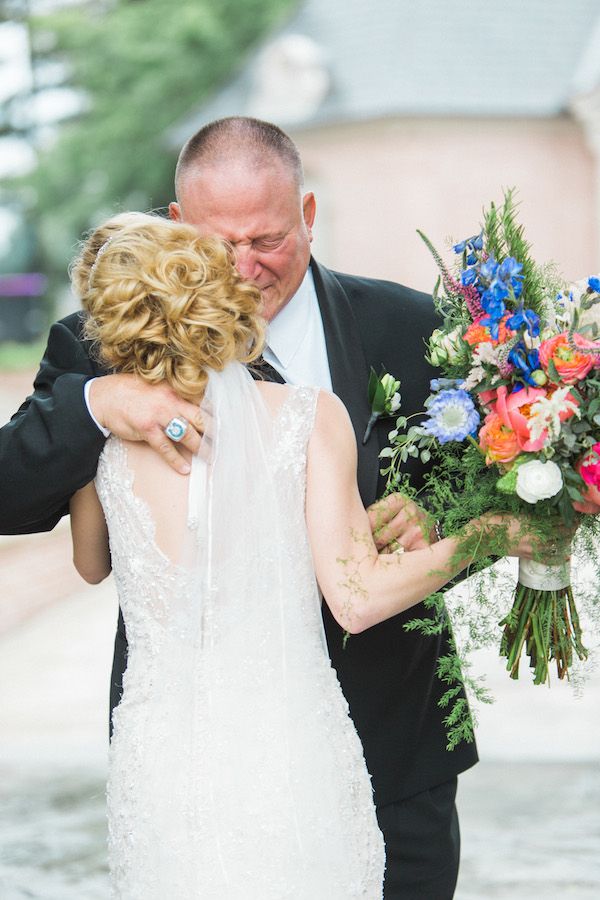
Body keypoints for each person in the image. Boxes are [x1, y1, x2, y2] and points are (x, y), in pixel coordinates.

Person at [0, 116, 497, 897]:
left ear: (307, 214)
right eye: (216, 243)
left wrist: (441, 511)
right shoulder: (97, 347)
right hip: (193, 767)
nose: (242, 267)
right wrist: (96, 402)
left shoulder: (408, 327)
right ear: (175, 229)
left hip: (396, 743)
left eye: (266, 239)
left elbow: (494, 469)